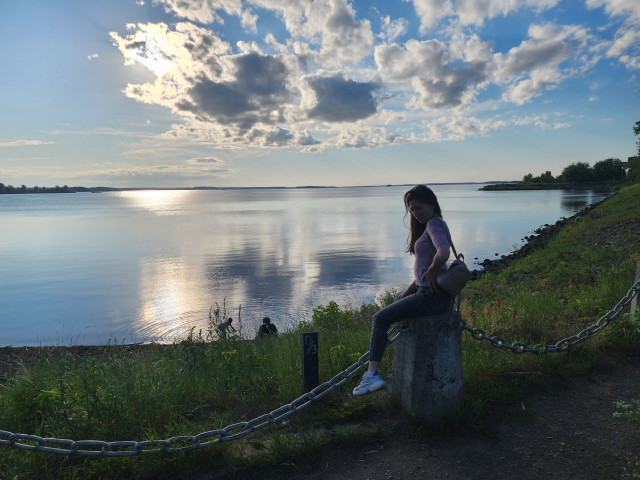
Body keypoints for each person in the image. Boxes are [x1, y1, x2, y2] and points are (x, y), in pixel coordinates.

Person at [352, 185, 454, 396]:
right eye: (412, 210)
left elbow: (443, 253)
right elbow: (423, 273)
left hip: (431, 297)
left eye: (419, 208)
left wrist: (434, 269)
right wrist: (408, 292)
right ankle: (371, 376)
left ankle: (371, 377)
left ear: (432, 204)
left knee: (379, 318)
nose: (416, 214)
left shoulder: (434, 224)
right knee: (386, 314)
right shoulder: (431, 224)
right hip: (431, 295)